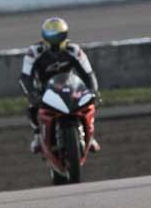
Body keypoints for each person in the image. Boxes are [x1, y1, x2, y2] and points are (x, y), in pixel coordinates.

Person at [19, 17, 100, 154]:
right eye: (51, 35)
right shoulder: (34, 52)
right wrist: (32, 94)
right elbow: (25, 77)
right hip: (45, 90)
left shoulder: (74, 50)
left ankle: (90, 135)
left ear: (65, 35)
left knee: (89, 103)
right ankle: (38, 135)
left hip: (70, 87)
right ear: (44, 36)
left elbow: (88, 73)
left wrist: (93, 91)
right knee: (32, 108)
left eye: (58, 35)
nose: (55, 39)